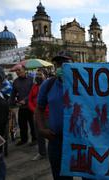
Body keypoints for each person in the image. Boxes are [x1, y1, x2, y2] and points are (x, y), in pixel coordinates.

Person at [35, 52, 74, 180]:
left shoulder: (86, 83)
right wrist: (41, 129)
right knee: (60, 176)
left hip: (81, 140)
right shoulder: (48, 85)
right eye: (58, 64)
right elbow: (39, 109)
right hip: (56, 140)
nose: (61, 67)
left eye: (65, 63)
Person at [10, 65, 36, 146]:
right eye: (16, 70)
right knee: (22, 124)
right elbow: (13, 94)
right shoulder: (15, 82)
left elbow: (32, 92)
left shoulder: (31, 80)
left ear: (24, 70)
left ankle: (35, 139)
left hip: (31, 106)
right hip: (22, 107)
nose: (17, 72)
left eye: (19, 70)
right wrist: (10, 103)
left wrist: (25, 100)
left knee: (33, 124)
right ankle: (24, 139)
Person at [28, 69, 48, 161]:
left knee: (52, 134)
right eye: (37, 74)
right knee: (39, 134)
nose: (38, 76)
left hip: (48, 114)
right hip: (37, 114)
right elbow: (30, 100)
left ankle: (55, 152)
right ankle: (42, 153)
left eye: (40, 74)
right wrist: (35, 110)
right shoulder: (34, 86)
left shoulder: (49, 86)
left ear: (45, 76)